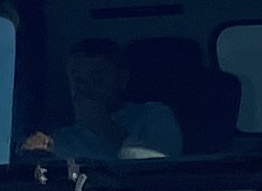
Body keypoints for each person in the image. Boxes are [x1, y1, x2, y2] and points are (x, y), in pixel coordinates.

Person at [24, 38, 183, 165]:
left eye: (97, 79)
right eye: (79, 80)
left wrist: (101, 124)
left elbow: (158, 170)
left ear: (122, 78)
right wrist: (33, 154)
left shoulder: (154, 117)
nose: (87, 88)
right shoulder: (62, 139)